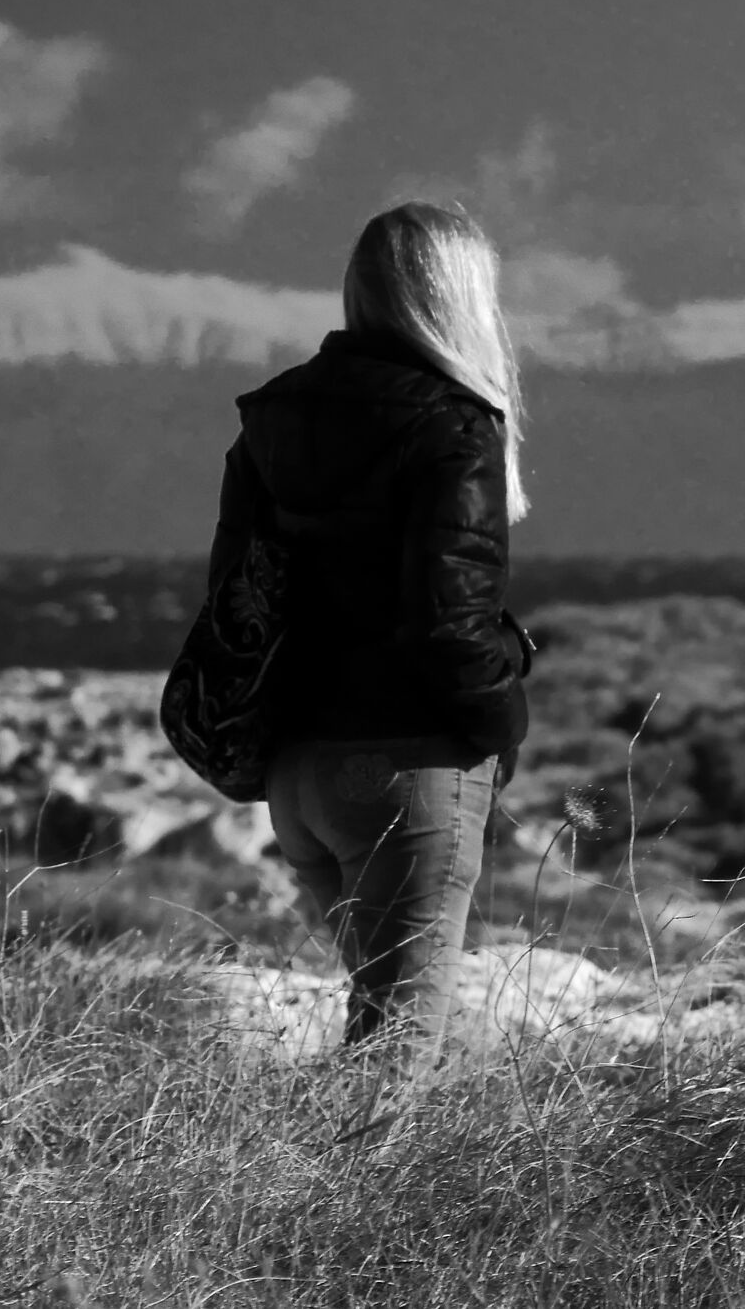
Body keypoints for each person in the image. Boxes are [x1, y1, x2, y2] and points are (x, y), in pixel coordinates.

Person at [205, 201, 534, 1077]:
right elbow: (451, 622)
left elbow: (235, 603)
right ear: (462, 298)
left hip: (297, 773)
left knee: (410, 1033)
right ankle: (314, 1217)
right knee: (396, 1060)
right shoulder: (457, 426)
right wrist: (503, 729)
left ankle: (472, 1206)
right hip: (407, 770)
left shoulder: (271, 415)